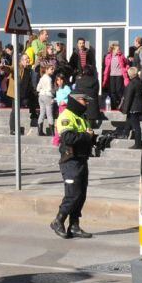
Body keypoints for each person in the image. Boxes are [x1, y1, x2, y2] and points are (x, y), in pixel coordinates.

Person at [51, 93, 96, 239]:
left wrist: (96, 139)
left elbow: (85, 136)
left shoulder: (82, 117)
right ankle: (58, 221)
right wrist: (87, 136)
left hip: (82, 159)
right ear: (75, 100)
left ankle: (74, 225)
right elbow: (68, 138)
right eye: (84, 100)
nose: (87, 104)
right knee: (73, 194)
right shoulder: (66, 116)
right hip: (70, 161)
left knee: (81, 194)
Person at [10, 54, 37, 135]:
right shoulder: (18, 68)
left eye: (28, 58)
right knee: (15, 111)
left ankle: (34, 117)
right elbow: (10, 68)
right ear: (21, 61)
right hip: (17, 93)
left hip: (26, 93)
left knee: (34, 98)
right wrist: (3, 67)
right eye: (26, 59)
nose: (28, 60)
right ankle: (13, 129)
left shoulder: (30, 70)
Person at [121, 67, 142, 149]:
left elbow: (128, 98)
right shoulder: (141, 83)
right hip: (140, 106)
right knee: (129, 119)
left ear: (130, 74)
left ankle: (138, 144)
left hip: (134, 107)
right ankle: (125, 133)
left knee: (136, 127)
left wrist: (125, 109)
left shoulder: (131, 84)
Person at [102, 42, 130, 110]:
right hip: (111, 75)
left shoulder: (121, 56)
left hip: (119, 75)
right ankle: (114, 105)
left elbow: (127, 64)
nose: (119, 50)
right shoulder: (108, 56)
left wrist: (126, 69)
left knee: (119, 91)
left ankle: (121, 105)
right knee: (112, 91)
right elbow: (106, 66)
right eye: (117, 49)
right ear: (113, 50)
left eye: (119, 49)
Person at [36, 64, 56, 136]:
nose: (53, 70)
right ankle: (52, 132)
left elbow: (37, 88)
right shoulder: (49, 79)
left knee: (42, 113)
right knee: (49, 114)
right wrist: (54, 92)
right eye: (51, 69)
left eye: (53, 69)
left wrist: (42, 90)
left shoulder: (42, 78)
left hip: (41, 96)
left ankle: (39, 131)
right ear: (46, 70)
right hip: (48, 96)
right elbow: (50, 89)